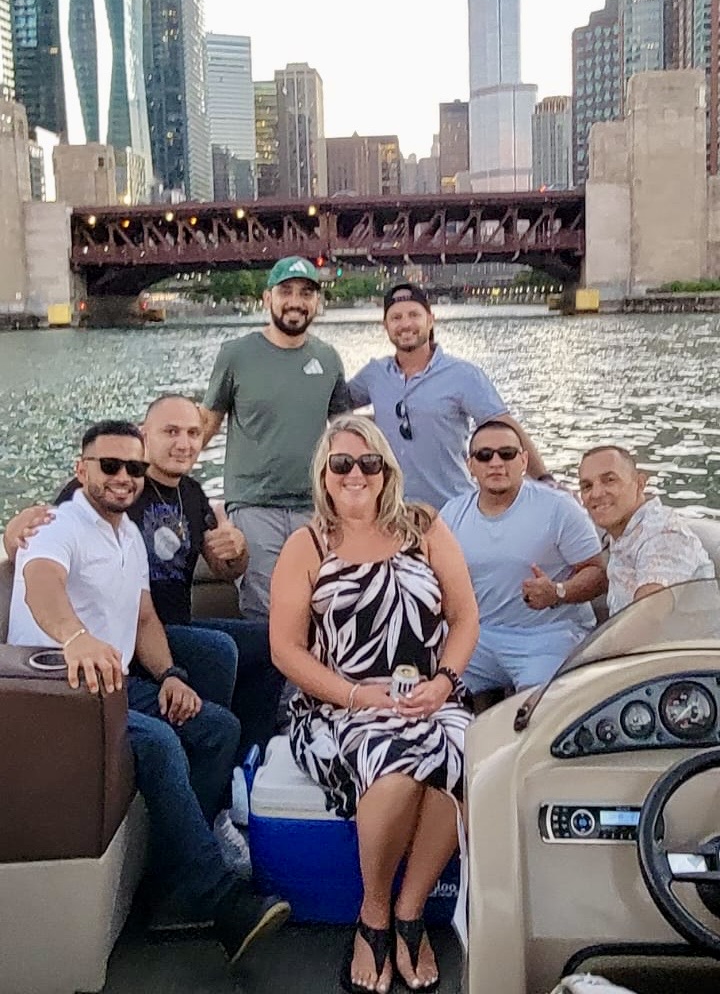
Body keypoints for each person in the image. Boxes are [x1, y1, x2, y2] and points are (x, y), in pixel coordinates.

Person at [6, 420, 290, 967]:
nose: (123, 478)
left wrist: (170, 677)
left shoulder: (127, 535)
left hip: (112, 685)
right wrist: (76, 638)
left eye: (134, 468)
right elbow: (41, 582)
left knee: (215, 727)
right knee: (158, 744)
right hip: (55, 689)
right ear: (81, 469)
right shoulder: (57, 526)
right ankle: (222, 902)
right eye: (109, 466)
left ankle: (178, 879)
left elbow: (142, 619)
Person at [270, 414, 479, 994]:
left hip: (433, 695)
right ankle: (374, 913)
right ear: (324, 475)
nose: (355, 474)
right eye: (342, 464)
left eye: (369, 463)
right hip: (339, 702)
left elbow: (464, 619)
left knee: (463, 755)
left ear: (388, 471)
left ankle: (409, 911)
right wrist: (359, 695)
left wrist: (443, 682)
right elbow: (286, 651)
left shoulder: (425, 526)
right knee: (392, 766)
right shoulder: (307, 544)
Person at [53, 394, 282, 762]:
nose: (184, 443)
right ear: (145, 436)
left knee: (272, 642)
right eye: (171, 431)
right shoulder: (114, 485)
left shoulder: (192, 494)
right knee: (217, 650)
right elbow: (46, 533)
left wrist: (237, 552)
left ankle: (249, 760)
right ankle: (208, 758)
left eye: (193, 433)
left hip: (173, 627)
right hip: (125, 636)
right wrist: (19, 527)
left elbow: (225, 571)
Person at [199, 255, 350, 621]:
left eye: (306, 293)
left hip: (313, 509)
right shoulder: (235, 355)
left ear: (317, 302)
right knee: (266, 612)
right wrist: (152, 470)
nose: (296, 301)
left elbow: (344, 434)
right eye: (286, 291)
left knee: (321, 608)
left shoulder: (329, 359)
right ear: (267, 298)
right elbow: (206, 423)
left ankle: (312, 681)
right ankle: (279, 682)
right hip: (253, 508)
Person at [347, 281, 551, 510]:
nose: (405, 324)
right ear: (385, 326)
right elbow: (333, 406)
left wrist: (544, 479)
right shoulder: (374, 374)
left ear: (430, 320)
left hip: (452, 508)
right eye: (396, 318)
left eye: (414, 315)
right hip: (392, 511)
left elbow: (505, 426)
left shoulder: (462, 375)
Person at [441, 420, 607, 696]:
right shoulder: (451, 513)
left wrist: (558, 592)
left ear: (523, 460)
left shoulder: (558, 508)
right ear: (470, 466)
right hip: (477, 637)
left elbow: (599, 575)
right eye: (484, 455)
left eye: (506, 454)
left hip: (547, 636)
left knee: (539, 715)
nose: (495, 462)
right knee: (430, 692)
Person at [578, 445, 714, 615]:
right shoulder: (623, 533)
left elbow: (648, 616)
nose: (596, 493)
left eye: (610, 480)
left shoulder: (665, 535)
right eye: (587, 486)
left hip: (681, 641)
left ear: (640, 483)